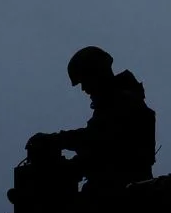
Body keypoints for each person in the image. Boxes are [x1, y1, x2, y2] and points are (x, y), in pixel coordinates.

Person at [31, 46, 158, 192]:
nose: (84, 89)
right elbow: (98, 148)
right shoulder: (113, 104)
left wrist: (55, 141)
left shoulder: (124, 103)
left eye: (85, 81)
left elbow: (98, 142)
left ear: (97, 75)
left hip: (119, 193)